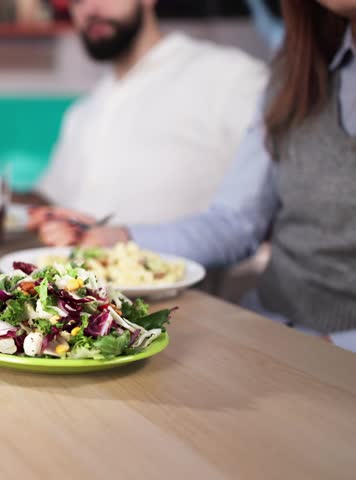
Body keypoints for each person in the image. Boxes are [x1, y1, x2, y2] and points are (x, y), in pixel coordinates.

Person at [35, 0, 356, 352]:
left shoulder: (230, 77)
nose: (90, 8)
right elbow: (236, 222)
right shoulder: (295, 79)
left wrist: (333, 346)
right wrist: (115, 237)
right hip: (263, 331)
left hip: (307, 353)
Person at [33, 0, 268, 225]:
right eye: (77, 0)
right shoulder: (83, 112)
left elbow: (267, 211)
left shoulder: (231, 77)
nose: (90, 9)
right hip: (75, 264)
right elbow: (50, 202)